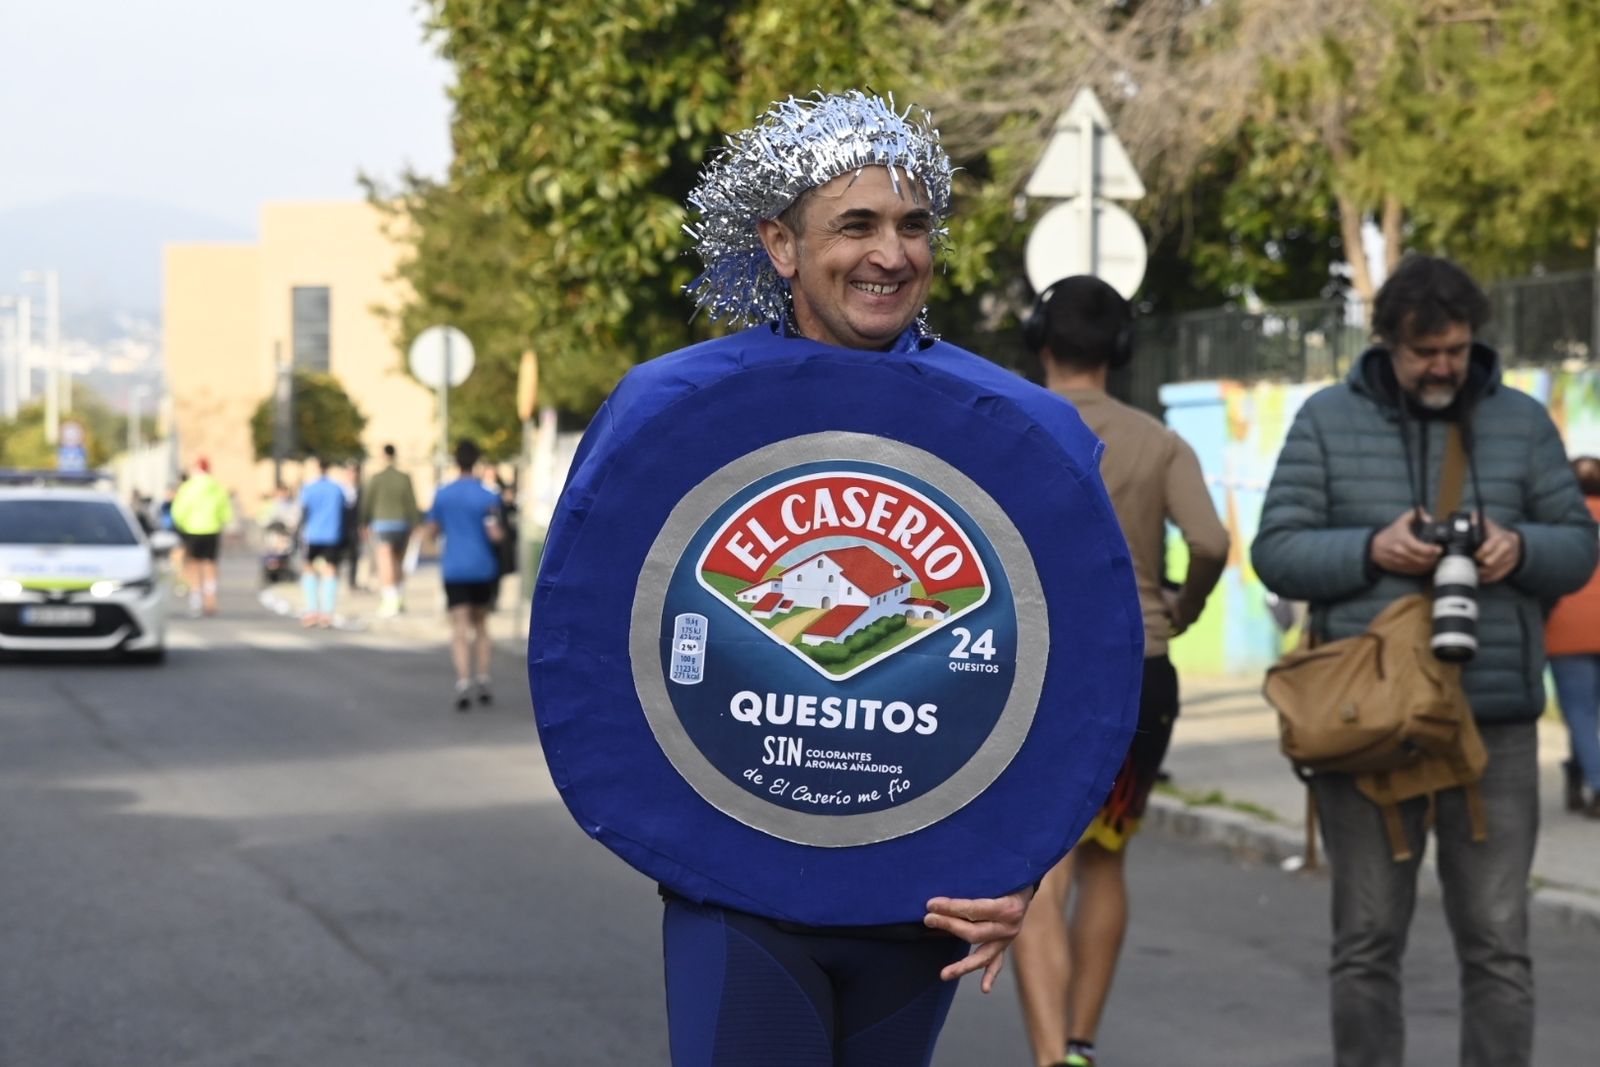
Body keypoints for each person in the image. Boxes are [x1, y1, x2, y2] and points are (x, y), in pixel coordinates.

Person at [545, 90, 1046, 1067]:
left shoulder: (1014, 433)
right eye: (854, 223)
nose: (890, 253)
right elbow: (590, 633)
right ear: (779, 243)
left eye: (912, 225)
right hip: (740, 886)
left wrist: (1019, 860)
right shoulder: (670, 406)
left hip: (920, 897)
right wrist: (659, 821)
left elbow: (1065, 666)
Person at [1251, 254, 1597, 1067]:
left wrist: (1522, 546)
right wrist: (1373, 547)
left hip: (1494, 721)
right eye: (1423, 352)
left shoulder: (1521, 421)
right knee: (1367, 940)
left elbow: (1579, 548)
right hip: (1370, 727)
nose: (1443, 366)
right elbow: (1277, 552)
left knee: (1500, 943)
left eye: (1455, 349)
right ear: (1388, 344)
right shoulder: (1326, 419)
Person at [1009, 277, 1229, 1067]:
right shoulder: (1160, 442)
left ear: (1040, 339)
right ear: (1122, 351)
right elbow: (1209, 541)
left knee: (1041, 860)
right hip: (1141, 671)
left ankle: (1044, 1060)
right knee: (1107, 856)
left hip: (1041, 674)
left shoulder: (1014, 424)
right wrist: (1181, 609)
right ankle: (1079, 1046)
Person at [424, 439, 503, 711]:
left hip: (454, 567)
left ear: (455, 462)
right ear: (477, 461)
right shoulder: (488, 495)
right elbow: (495, 534)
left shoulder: (443, 494)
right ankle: (483, 677)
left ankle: (462, 681)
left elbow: (432, 531)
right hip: (482, 567)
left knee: (459, 626)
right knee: (481, 625)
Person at [1546, 455, 1600, 818]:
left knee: (1580, 713)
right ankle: (1580, 773)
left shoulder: (1556, 518)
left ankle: (1590, 779)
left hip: (1565, 629)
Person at [360, 444, 422, 617]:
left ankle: (390, 599)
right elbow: (411, 501)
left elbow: (367, 502)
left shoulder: (377, 478)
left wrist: (363, 522)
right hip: (402, 524)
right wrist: (416, 523)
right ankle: (399, 596)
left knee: (385, 562)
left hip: (382, 524)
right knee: (398, 562)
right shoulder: (404, 478)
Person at [168, 457, 234, 617]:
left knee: (194, 565)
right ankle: (210, 599)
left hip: (192, 530)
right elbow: (225, 511)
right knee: (210, 564)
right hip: (212, 529)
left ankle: (196, 599)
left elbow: (178, 510)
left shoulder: (188, 487)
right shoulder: (217, 487)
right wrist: (220, 522)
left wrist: (181, 525)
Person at [296, 457, 347, 628]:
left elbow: (303, 512)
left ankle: (312, 610)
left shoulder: (309, 488)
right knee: (330, 570)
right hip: (333, 534)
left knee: (309, 568)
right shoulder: (337, 489)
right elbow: (345, 510)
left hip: (313, 535)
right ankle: (327, 613)